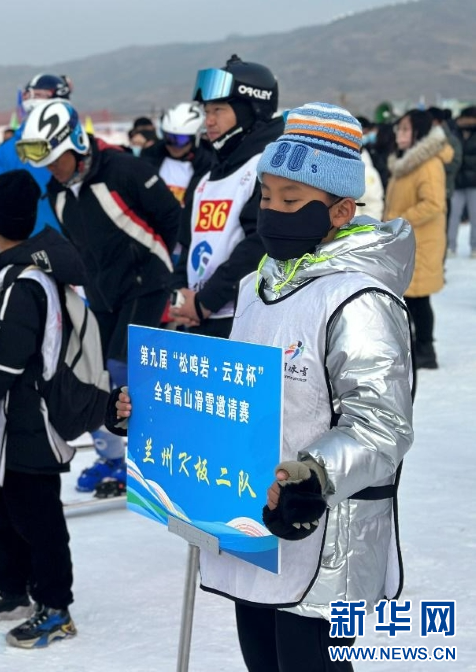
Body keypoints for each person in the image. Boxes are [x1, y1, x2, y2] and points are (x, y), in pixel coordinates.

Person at [111, 104, 414, 672]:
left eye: (291, 201)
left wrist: (315, 476)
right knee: (261, 660)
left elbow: (381, 425)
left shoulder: (360, 299)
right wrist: (150, 408)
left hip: (322, 529)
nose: (273, 211)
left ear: (340, 210)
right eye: (267, 197)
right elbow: (231, 392)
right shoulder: (256, 285)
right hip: (252, 522)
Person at [18, 99, 180, 494]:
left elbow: (172, 219)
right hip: (103, 294)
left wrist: (171, 274)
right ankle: (111, 457)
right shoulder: (56, 191)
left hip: (146, 284)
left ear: (76, 144)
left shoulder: (123, 169)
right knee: (94, 378)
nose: (51, 168)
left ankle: (147, 458)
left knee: (122, 370)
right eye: (45, 162)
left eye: (56, 158)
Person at [0, 170, 84, 648]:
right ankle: (13, 588)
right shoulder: (13, 273)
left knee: (38, 515)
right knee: (7, 508)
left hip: (30, 419)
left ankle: (55, 607)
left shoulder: (22, 282)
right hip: (10, 419)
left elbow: (5, 361)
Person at [167, 55, 283, 340]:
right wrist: (183, 298)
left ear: (250, 110)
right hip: (200, 318)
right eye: (206, 111)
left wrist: (206, 301)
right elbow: (187, 244)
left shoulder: (267, 169)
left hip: (244, 320)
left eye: (218, 110)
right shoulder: (206, 178)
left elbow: (259, 245)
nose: (209, 121)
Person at [384, 109, 449, 369]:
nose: (399, 134)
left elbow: (433, 204)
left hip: (421, 241)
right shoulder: (406, 163)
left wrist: (398, 220)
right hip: (406, 241)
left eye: (405, 129)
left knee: (419, 298)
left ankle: (426, 349)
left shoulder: (428, 164)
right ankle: (414, 344)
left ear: (418, 132)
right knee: (409, 297)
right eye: (398, 129)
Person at [0, 74, 72, 235]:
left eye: (37, 94)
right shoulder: (8, 150)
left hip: (56, 238)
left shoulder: (7, 149)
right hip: (33, 238)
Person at [143, 102, 215, 205]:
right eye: (169, 138)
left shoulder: (208, 164)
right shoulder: (151, 156)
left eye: (181, 140)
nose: (174, 146)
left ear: (195, 138)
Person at [448, 106, 476, 256]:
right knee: (453, 215)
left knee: (475, 216)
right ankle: (450, 246)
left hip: (474, 183)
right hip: (457, 182)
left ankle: (474, 247)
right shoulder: (454, 133)